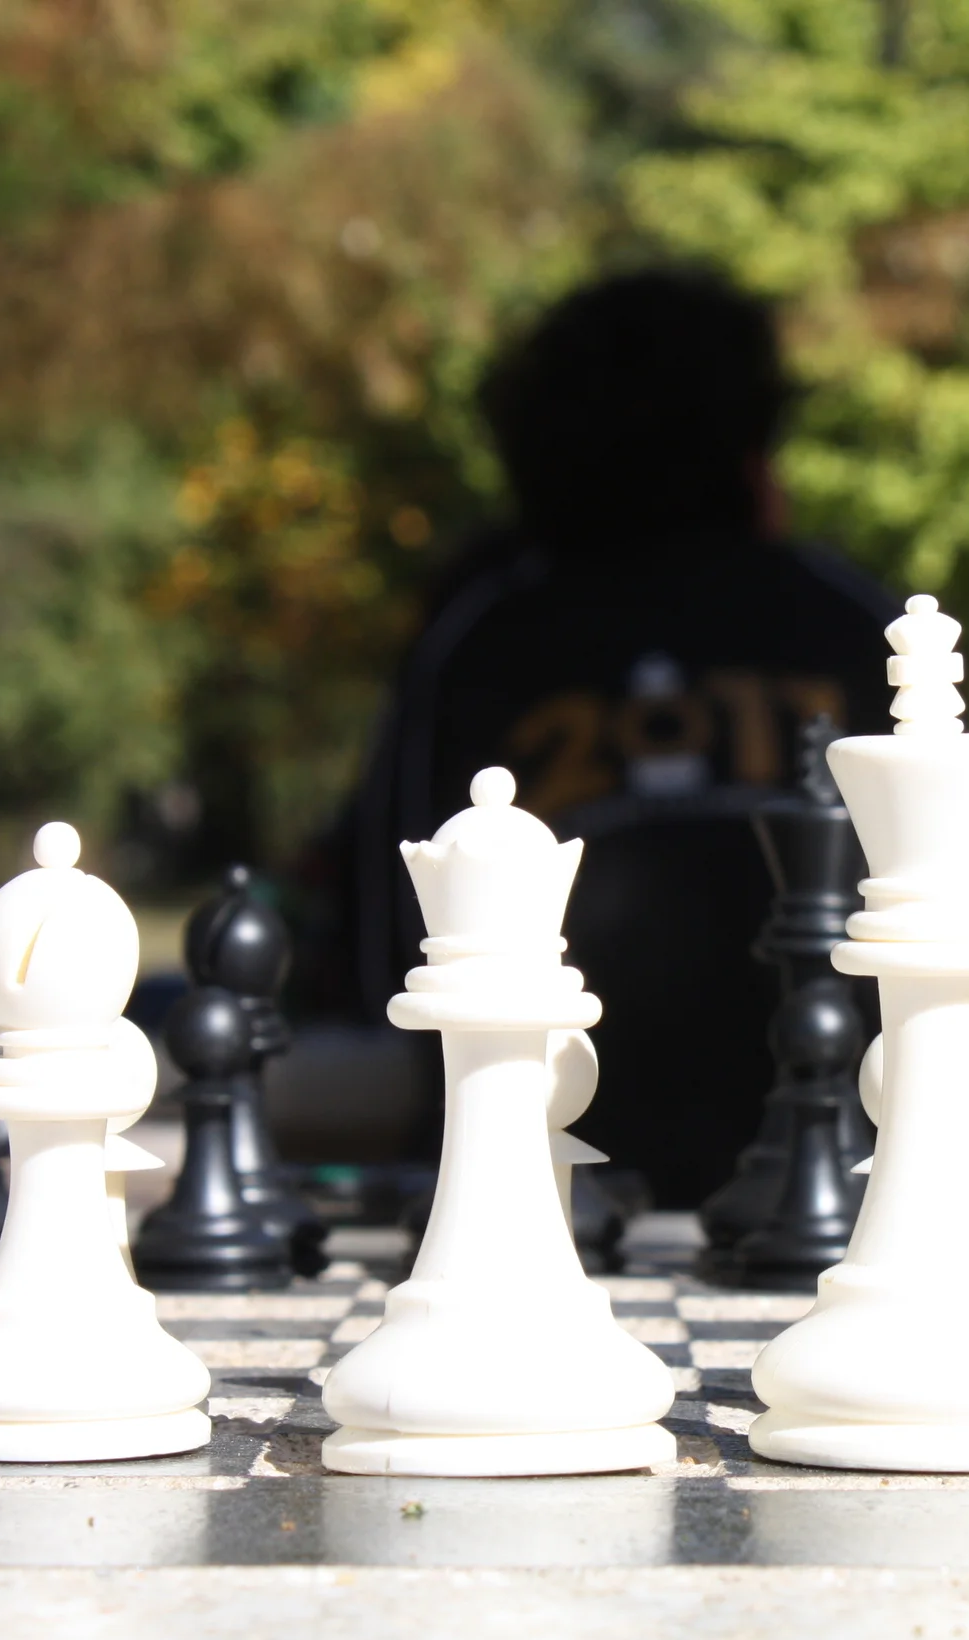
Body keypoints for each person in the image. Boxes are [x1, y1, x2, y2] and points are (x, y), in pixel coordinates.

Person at [290, 269, 895, 1208]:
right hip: (833, 1177)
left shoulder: (486, 630)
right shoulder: (849, 617)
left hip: (541, 1175)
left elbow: (393, 937)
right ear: (753, 443)